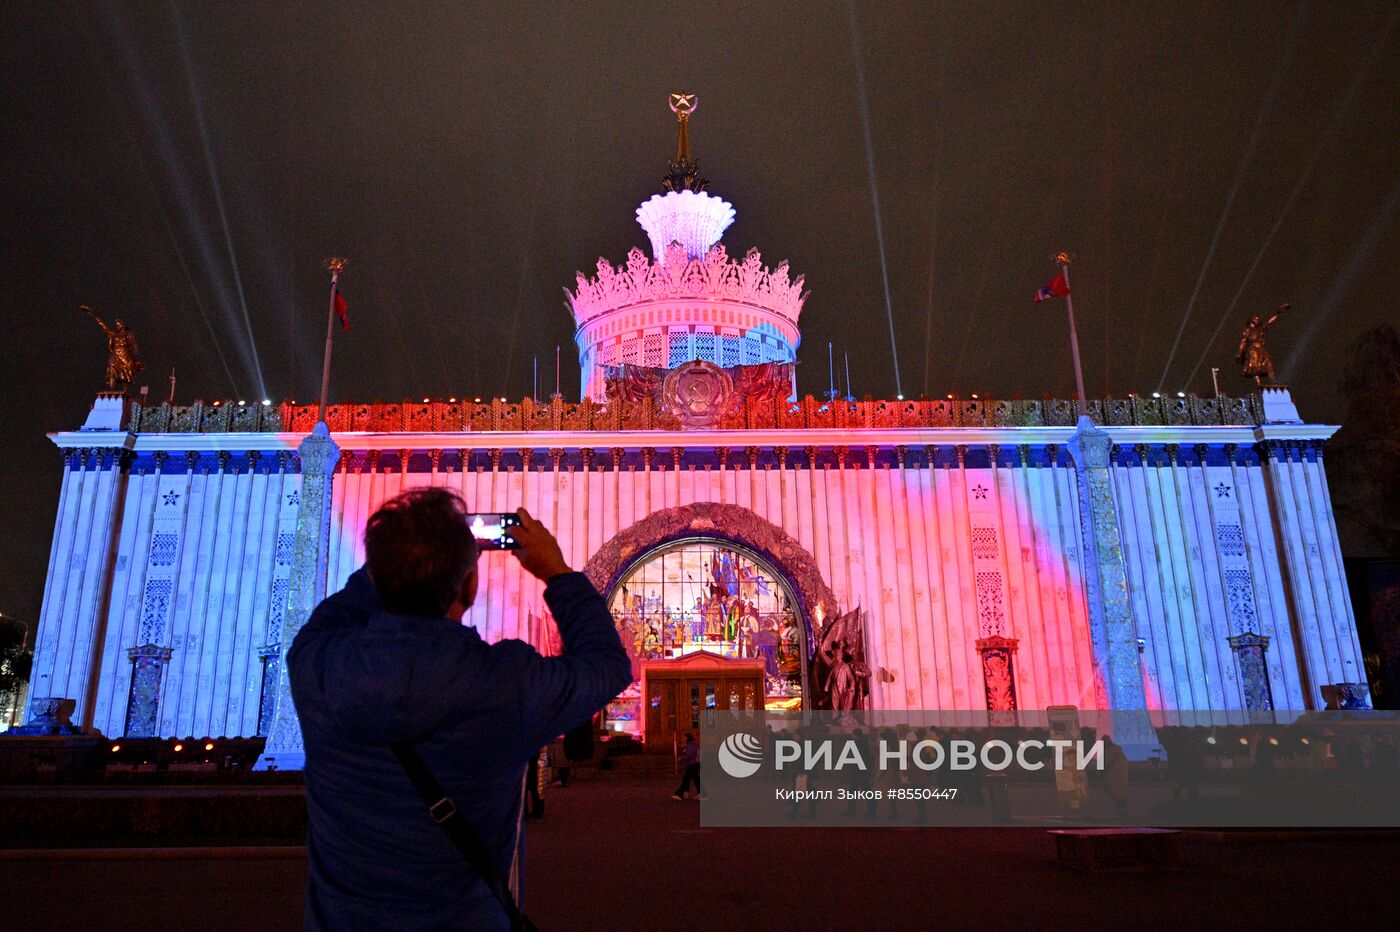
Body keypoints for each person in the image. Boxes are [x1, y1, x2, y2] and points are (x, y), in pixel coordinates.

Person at [289, 489, 632, 931]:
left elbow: (344, 607)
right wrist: (558, 573)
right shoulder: (506, 686)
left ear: (379, 571)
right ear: (469, 586)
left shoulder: (316, 667)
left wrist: (404, 552)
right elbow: (607, 664)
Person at [673, 732, 703, 800]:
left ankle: (678, 794)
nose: (684, 738)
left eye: (684, 737)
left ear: (687, 737)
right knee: (696, 780)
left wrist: (682, 758)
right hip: (694, 764)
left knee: (686, 779)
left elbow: (690, 755)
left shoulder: (691, 744)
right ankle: (701, 794)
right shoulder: (692, 744)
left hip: (692, 765)